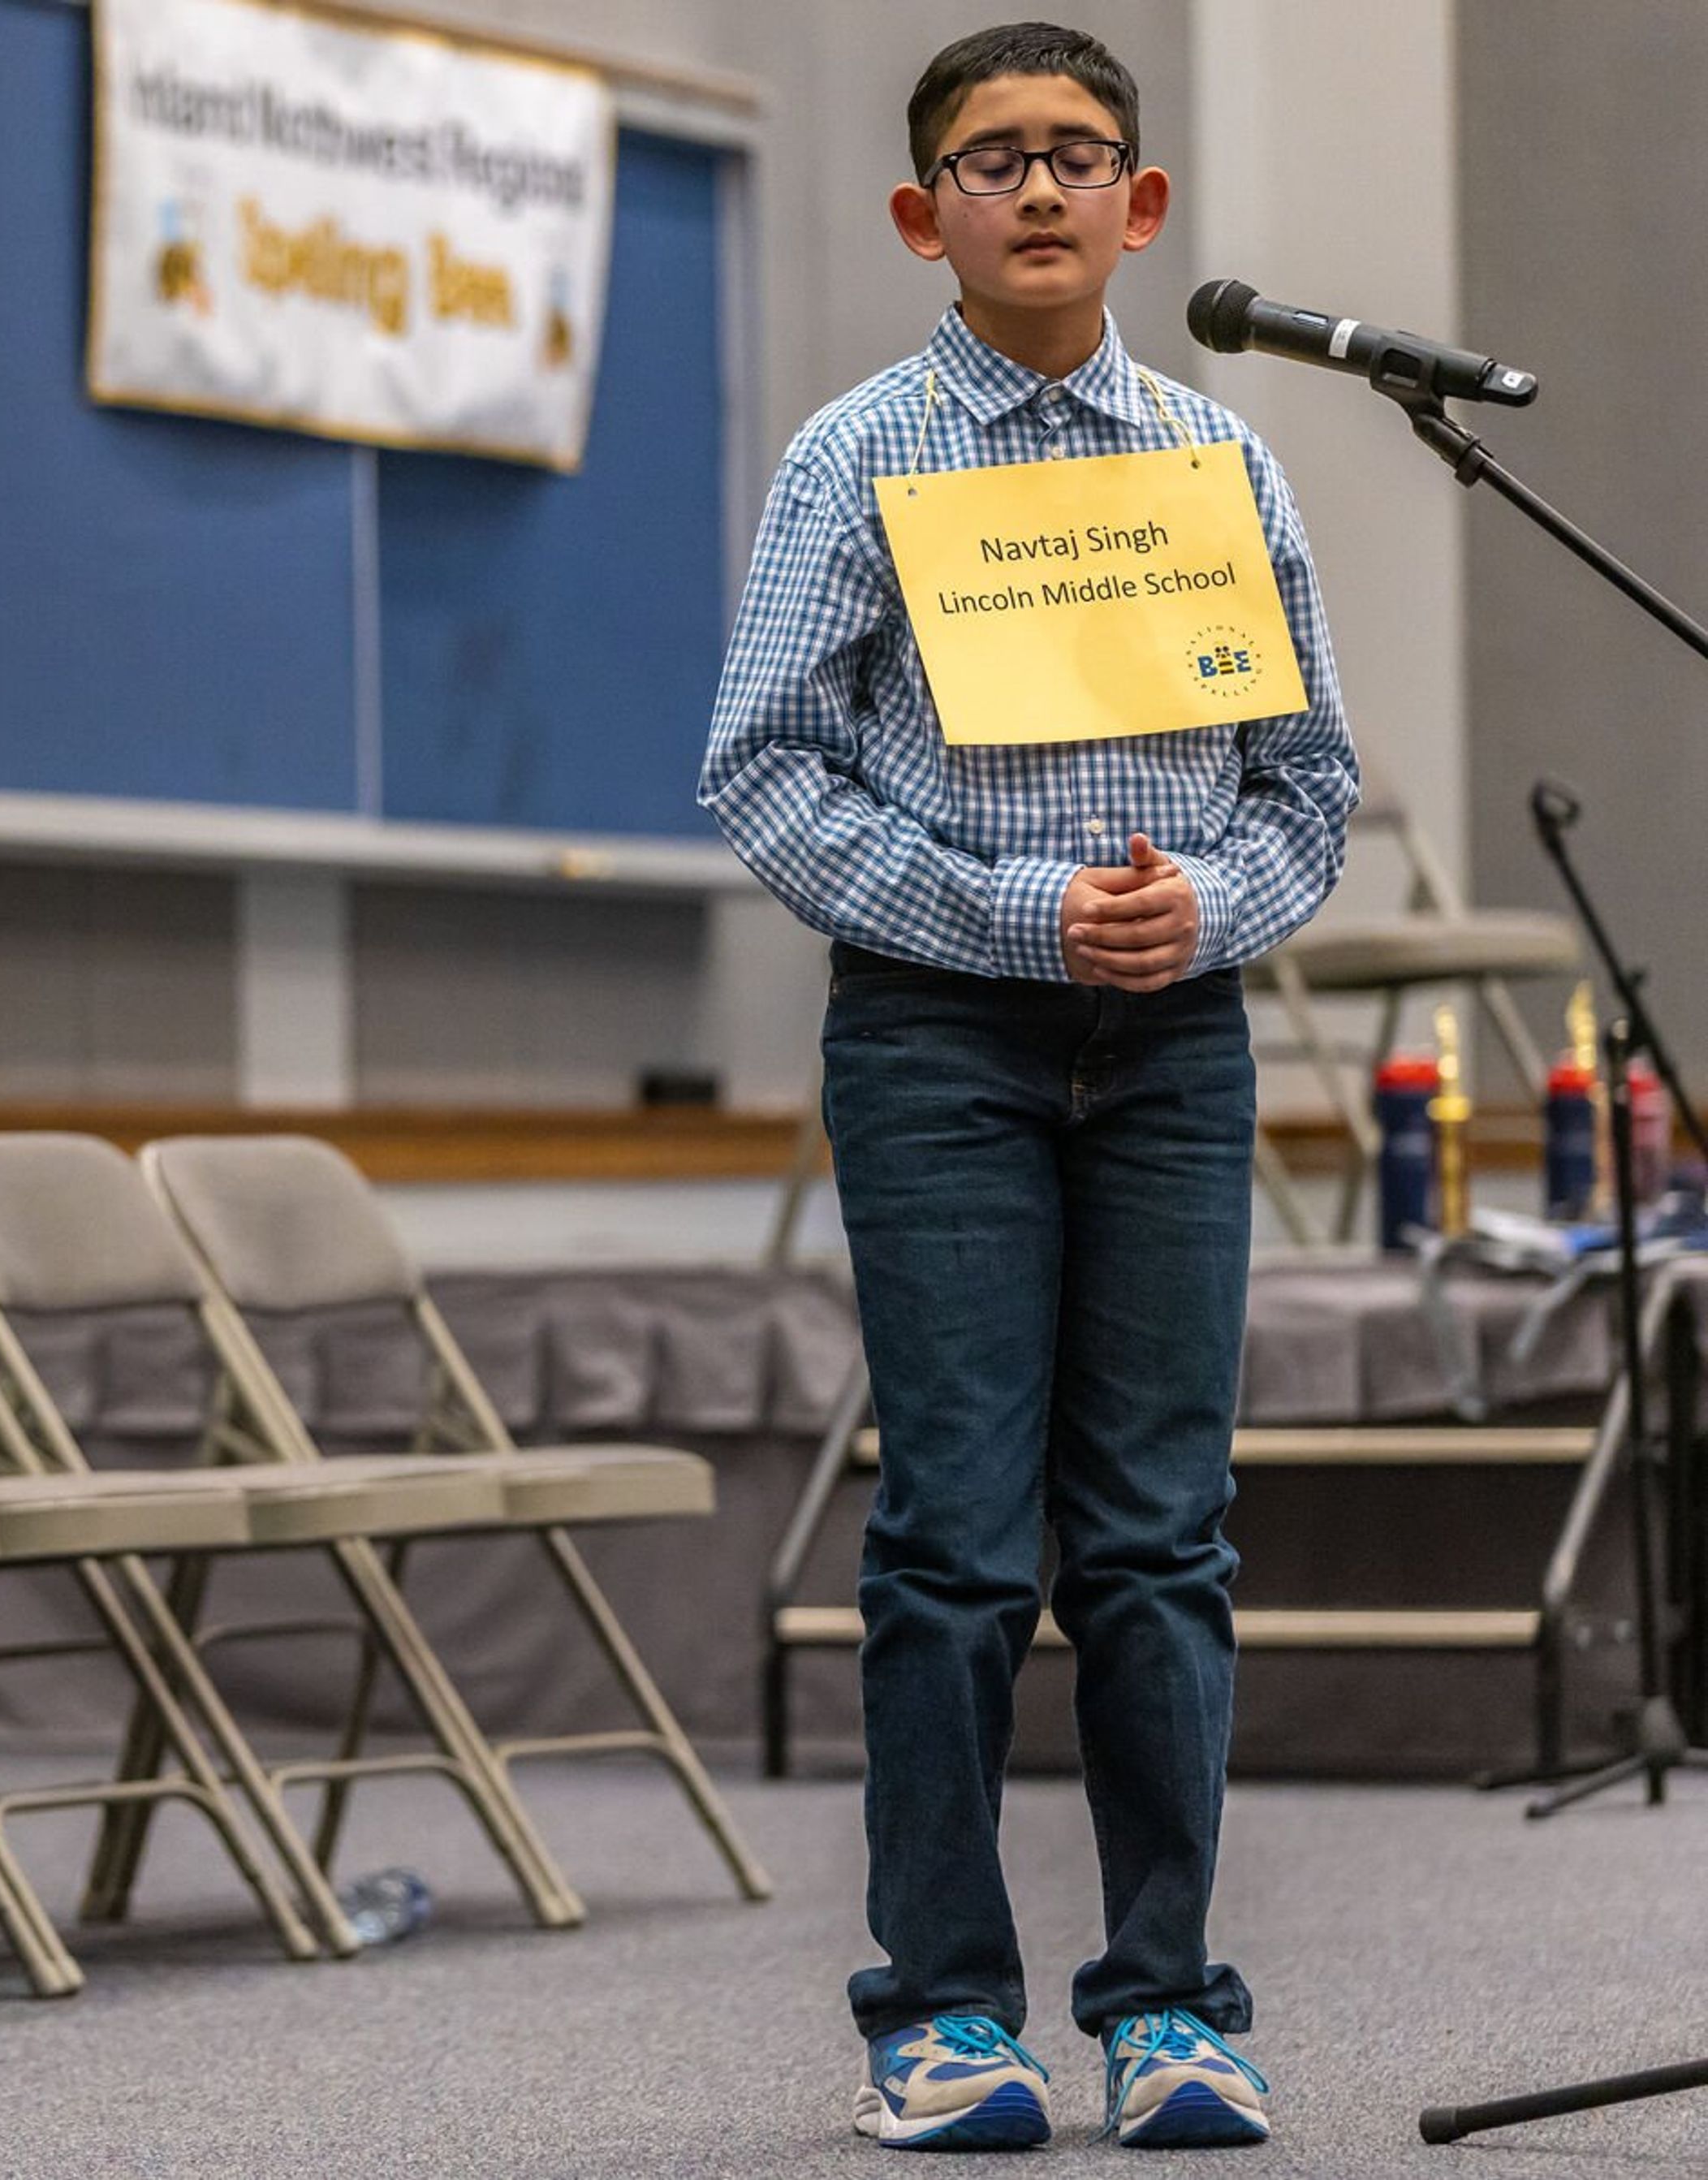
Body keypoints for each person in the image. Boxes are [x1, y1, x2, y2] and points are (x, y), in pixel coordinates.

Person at [700, 24, 1359, 2152]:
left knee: (1164, 1539)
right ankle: (943, 2014)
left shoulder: (1222, 467)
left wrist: (1214, 908)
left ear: (1143, 206)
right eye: (996, 162)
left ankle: (1168, 2004)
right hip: (940, 1040)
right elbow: (764, 774)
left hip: (1173, 1040)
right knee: (961, 1541)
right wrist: (1010, 917)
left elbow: (1308, 787)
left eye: (1084, 155)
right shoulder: (855, 458)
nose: (1045, 188)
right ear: (928, 218)